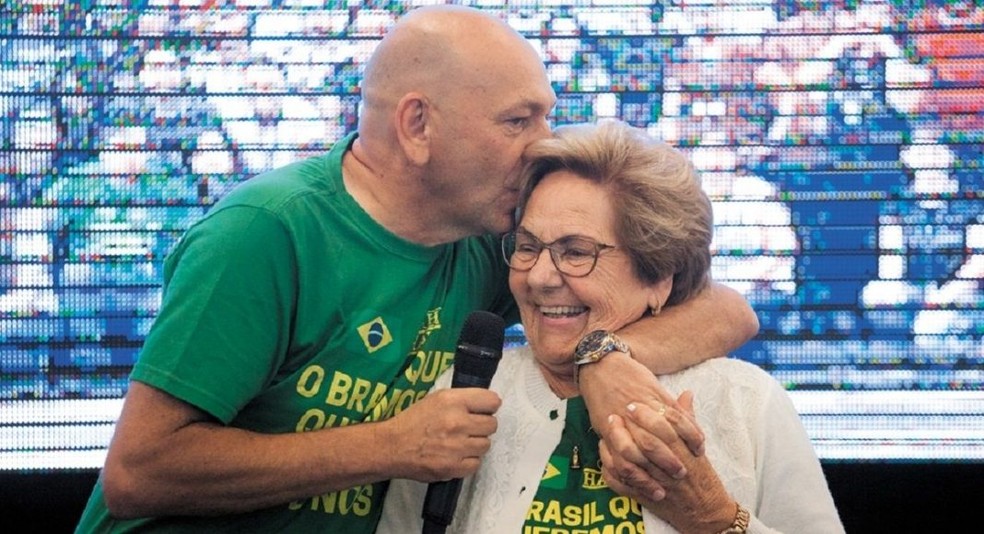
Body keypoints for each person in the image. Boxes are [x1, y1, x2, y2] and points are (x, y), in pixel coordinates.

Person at [74, 6, 758, 533]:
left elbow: (724, 308)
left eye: (545, 119)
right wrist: (390, 446)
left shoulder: (483, 243)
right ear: (418, 125)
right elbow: (139, 473)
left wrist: (605, 355)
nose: (541, 144)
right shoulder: (268, 232)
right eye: (517, 121)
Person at [378, 119, 843, 533]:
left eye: (576, 252)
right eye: (527, 247)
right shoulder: (467, 392)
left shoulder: (746, 403)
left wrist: (711, 518)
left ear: (658, 276)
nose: (539, 277)